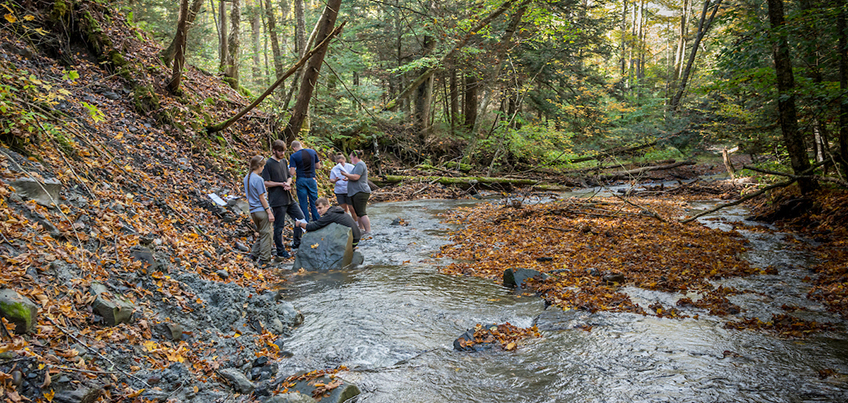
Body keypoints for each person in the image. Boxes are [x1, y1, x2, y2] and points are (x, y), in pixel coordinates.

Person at [262, 140, 306, 258]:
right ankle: (280, 250)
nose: (282, 153)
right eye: (280, 151)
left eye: (284, 151)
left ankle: (297, 243)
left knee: (301, 218)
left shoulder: (284, 161)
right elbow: (266, 182)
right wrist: (280, 184)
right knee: (279, 226)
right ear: (274, 151)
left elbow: (289, 176)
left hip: (288, 197)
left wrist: (287, 183)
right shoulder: (268, 163)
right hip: (277, 199)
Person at [244, 155, 274, 265]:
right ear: (259, 166)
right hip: (261, 210)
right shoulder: (259, 179)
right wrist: (269, 212)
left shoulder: (246, 178)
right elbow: (262, 197)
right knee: (267, 235)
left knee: (262, 233)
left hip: (253, 211)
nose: (263, 169)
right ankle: (265, 260)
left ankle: (253, 255)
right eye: (263, 167)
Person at [296, 197, 361, 247]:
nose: (318, 211)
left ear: (327, 206)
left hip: (352, 241)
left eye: (320, 208)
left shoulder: (330, 215)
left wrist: (300, 224)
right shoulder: (334, 210)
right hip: (356, 238)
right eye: (317, 209)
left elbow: (313, 226)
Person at [289, 140, 321, 222]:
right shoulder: (312, 152)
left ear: (294, 148)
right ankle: (316, 220)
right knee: (314, 200)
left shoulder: (294, 156)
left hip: (301, 180)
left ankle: (305, 221)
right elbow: (318, 166)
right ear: (300, 145)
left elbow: (292, 172)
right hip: (311, 179)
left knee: (303, 202)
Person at [340, 150, 371, 235]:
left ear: (355, 157)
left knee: (361, 212)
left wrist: (345, 174)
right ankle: (361, 230)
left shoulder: (360, 164)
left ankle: (368, 231)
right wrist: (348, 178)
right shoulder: (357, 165)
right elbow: (354, 176)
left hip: (361, 191)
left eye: (351, 157)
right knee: (358, 212)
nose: (350, 159)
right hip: (356, 192)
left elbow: (356, 177)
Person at [329, 154, 358, 223]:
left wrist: (348, 178)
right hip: (339, 191)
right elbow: (331, 180)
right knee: (343, 209)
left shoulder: (350, 167)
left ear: (344, 160)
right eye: (338, 163)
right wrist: (335, 180)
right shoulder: (334, 169)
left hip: (349, 190)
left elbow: (355, 177)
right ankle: (347, 223)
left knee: (352, 209)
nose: (340, 164)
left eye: (341, 162)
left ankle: (356, 224)